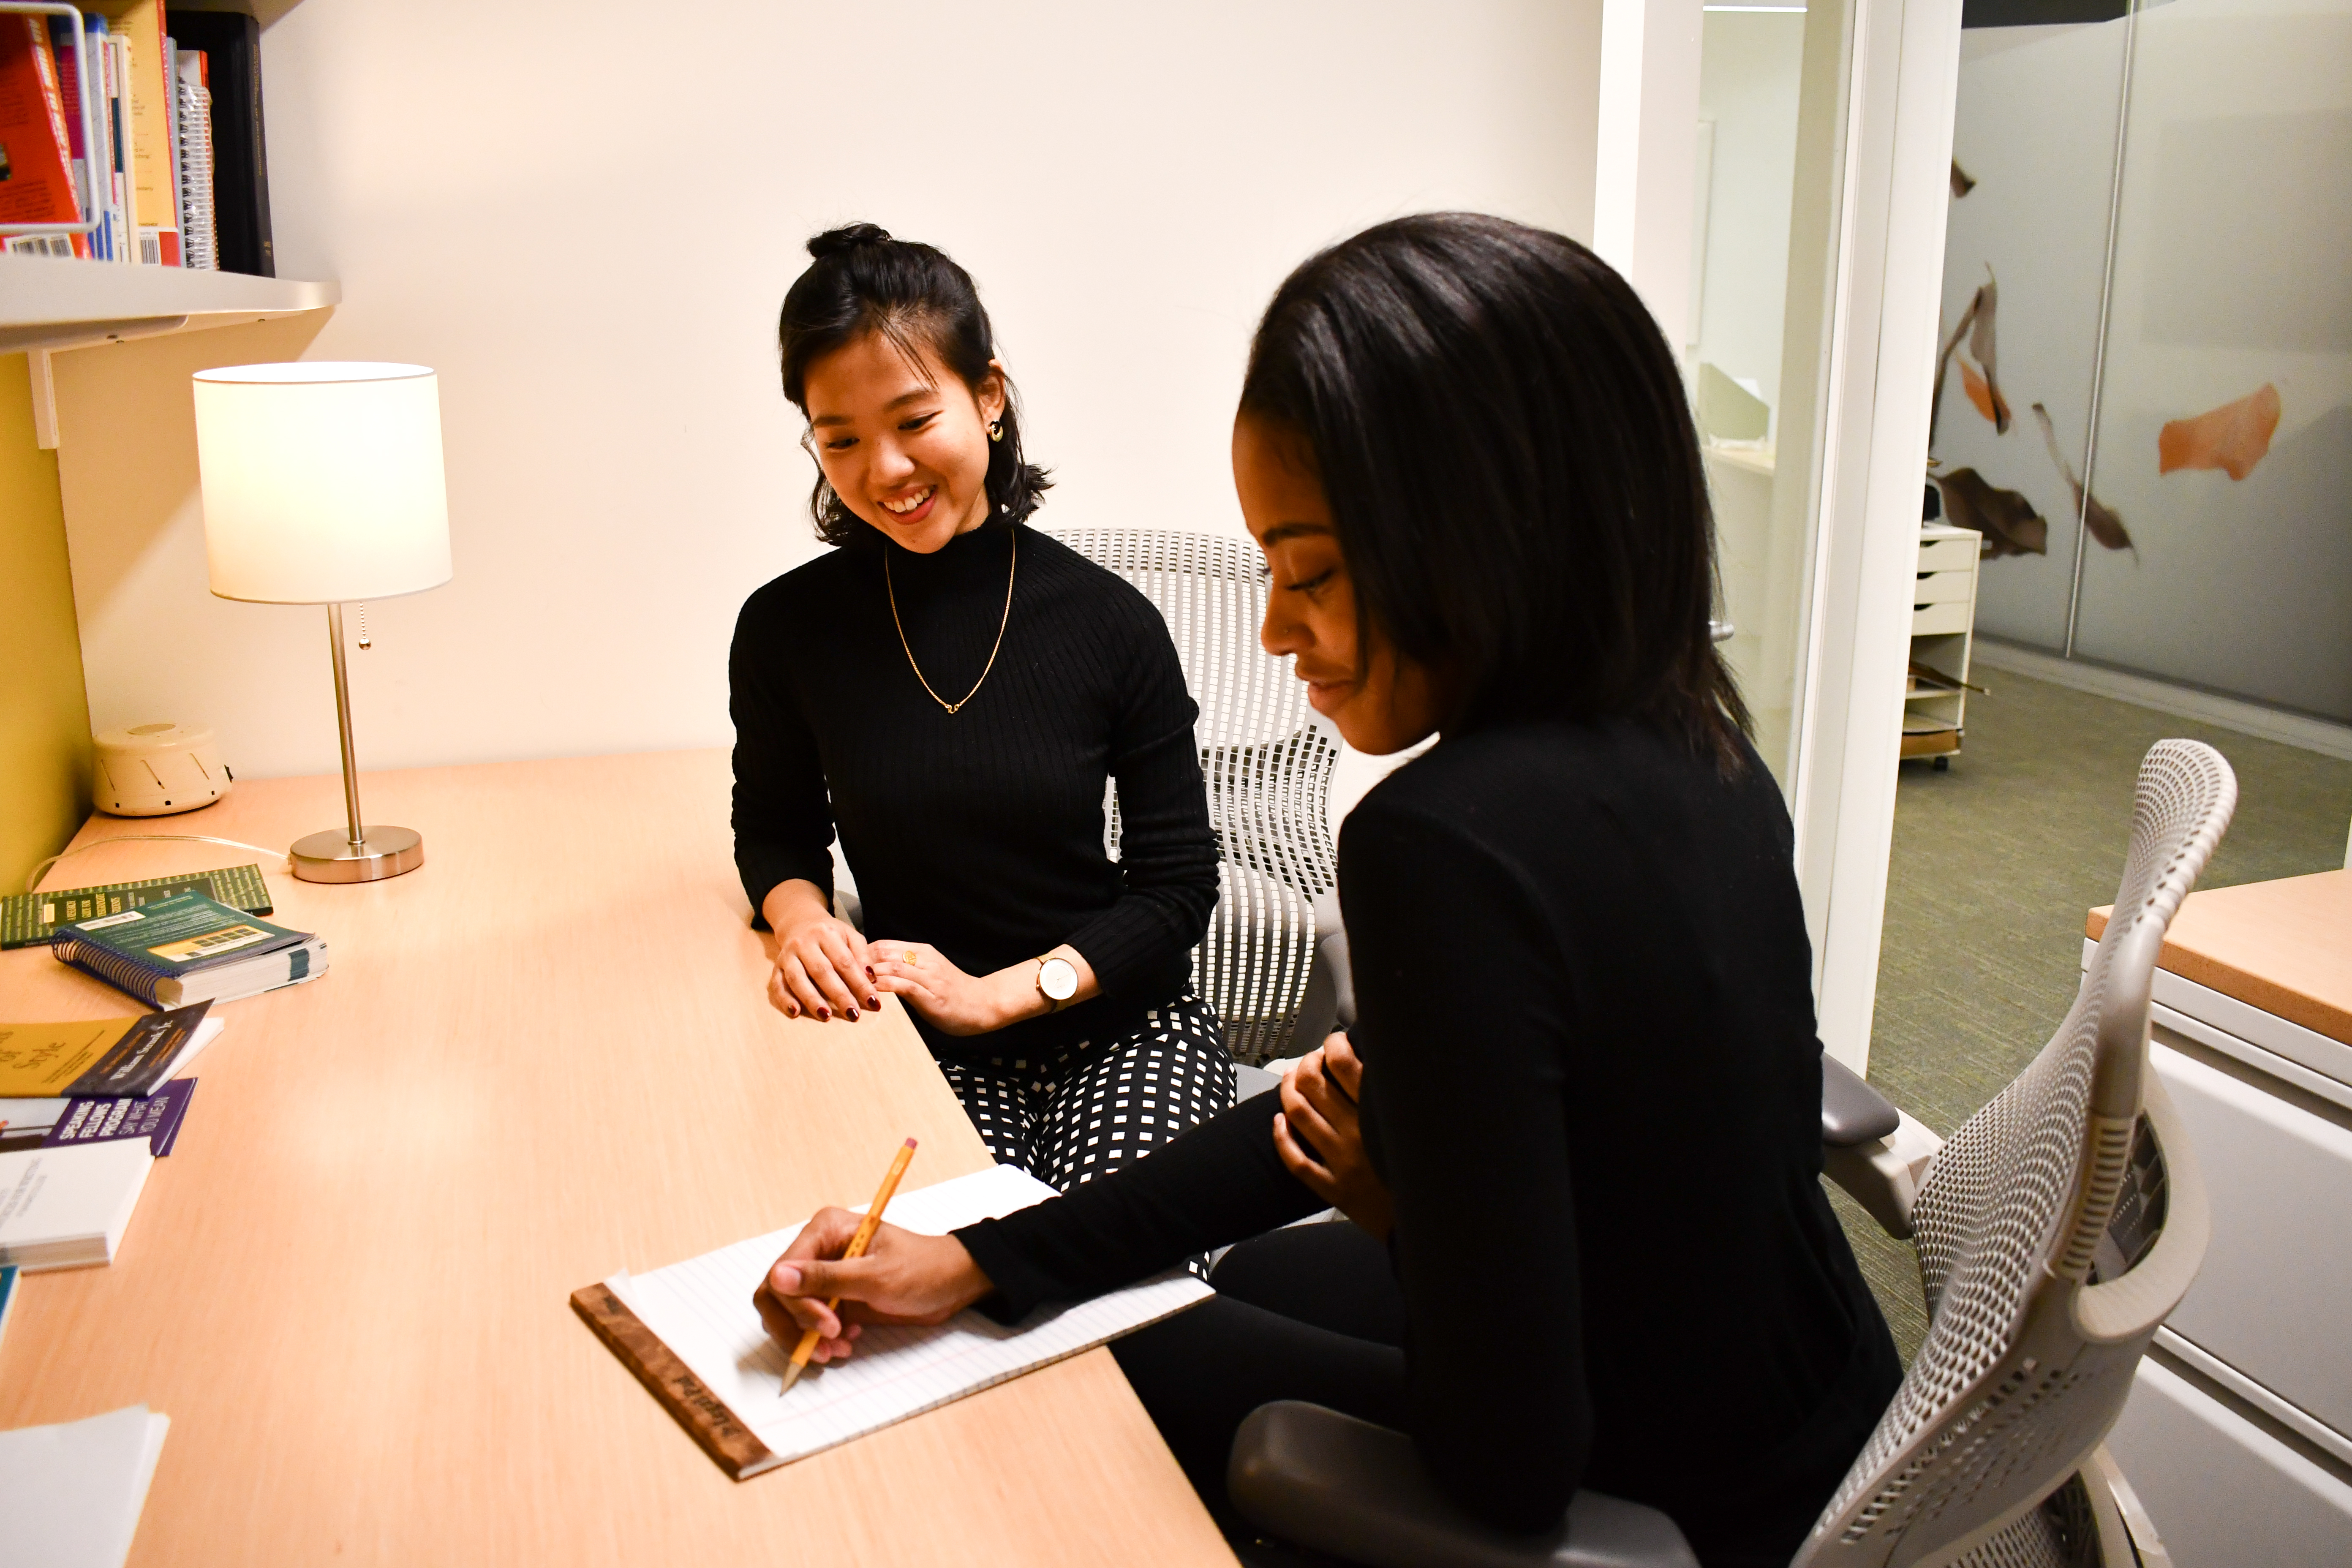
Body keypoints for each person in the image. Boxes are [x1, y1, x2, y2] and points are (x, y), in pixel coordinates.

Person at [750, 213, 1903, 1568]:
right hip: (1821, 1414)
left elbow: (1512, 1462)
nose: (1273, 628)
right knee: (1215, 1268)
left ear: (1475, 538)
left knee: (1089, 1360)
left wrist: (1401, 1205)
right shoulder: (1692, 739)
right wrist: (979, 1259)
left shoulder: (1441, 842)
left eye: (1310, 571)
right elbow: (1344, 1101)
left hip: (1669, 1492)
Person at [730, 223, 1231, 1194]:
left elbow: (1177, 887)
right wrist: (801, 922)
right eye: (841, 439)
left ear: (989, 396)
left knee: (1125, 1291)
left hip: (1116, 1019)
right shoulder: (787, 627)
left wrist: (1005, 993)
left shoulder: (1108, 621)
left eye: (915, 421)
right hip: (917, 1035)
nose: (885, 470)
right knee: (945, 1295)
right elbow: (775, 829)